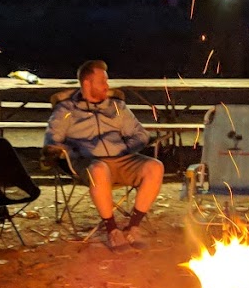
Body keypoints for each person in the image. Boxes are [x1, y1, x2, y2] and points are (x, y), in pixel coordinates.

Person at [44, 60, 164, 250]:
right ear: (87, 84)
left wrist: (125, 149)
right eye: (102, 82)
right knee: (99, 169)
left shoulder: (116, 106)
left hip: (123, 159)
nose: (107, 86)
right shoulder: (66, 110)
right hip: (89, 163)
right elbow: (52, 142)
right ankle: (113, 230)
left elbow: (141, 134)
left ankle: (133, 227)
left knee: (155, 167)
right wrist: (75, 152)